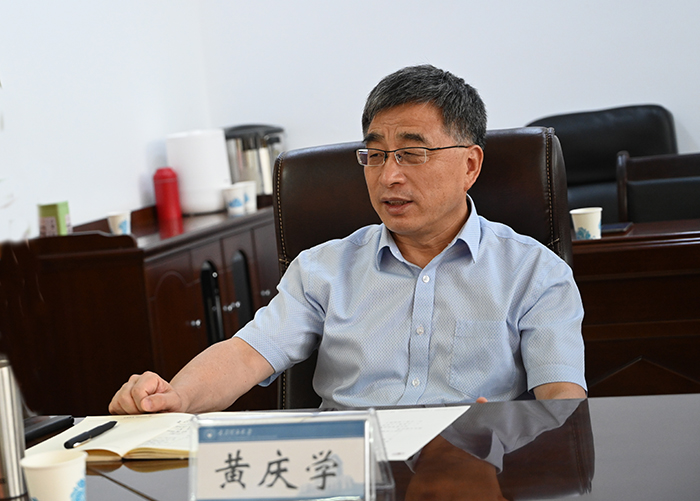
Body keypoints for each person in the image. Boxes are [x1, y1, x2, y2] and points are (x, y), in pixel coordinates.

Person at [109, 65, 586, 415]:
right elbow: (245, 354)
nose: (389, 176)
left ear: (470, 165)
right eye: (375, 155)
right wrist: (176, 397)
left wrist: (509, 441)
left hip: (474, 472)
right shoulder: (322, 269)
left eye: (411, 153)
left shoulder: (535, 273)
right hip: (347, 472)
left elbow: (562, 401)